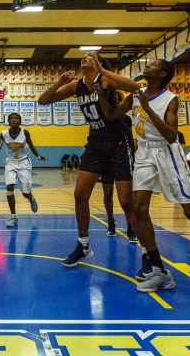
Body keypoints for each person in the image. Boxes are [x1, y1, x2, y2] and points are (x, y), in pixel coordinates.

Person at [100, 59, 190, 298]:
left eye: (153, 65)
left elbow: (171, 136)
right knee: (138, 209)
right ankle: (159, 271)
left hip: (168, 153)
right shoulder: (136, 94)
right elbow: (110, 115)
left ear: (163, 73)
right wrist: (98, 92)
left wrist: (148, 109)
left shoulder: (171, 99)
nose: (147, 66)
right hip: (144, 152)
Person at [38, 52, 137, 268]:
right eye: (83, 56)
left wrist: (101, 69)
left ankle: (146, 249)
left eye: (91, 56)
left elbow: (134, 87)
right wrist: (59, 83)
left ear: (99, 63)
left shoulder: (106, 78)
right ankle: (83, 245)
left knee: (126, 201)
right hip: (96, 143)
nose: (84, 57)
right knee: (79, 195)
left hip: (119, 142)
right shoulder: (77, 85)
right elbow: (43, 101)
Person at [0, 113, 45, 227]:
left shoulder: (25, 132)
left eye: (16, 118)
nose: (14, 120)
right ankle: (13, 217)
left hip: (23, 163)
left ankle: (31, 198)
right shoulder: (3, 134)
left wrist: (38, 156)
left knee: (25, 193)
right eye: (11, 118)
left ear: (20, 121)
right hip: (10, 163)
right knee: (9, 187)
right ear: (8, 121)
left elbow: (31, 145)